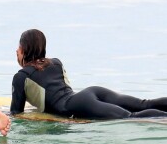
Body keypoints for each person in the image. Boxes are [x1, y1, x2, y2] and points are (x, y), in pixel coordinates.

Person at [10, 29, 167, 120]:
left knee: (131, 117)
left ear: (23, 49)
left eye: (18, 47)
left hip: (75, 107)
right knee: (143, 104)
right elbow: (55, 89)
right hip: (90, 93)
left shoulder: (21, 77)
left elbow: (16, 113)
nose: (16, 50)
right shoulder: (56, 63)